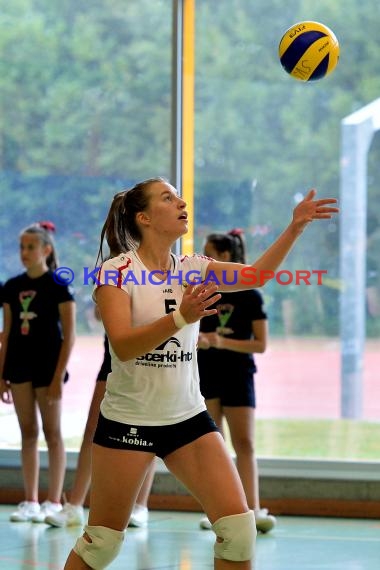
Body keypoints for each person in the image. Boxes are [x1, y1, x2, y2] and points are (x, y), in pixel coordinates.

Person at [63, 177, 338, 570]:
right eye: (168, 197)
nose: (181, 202)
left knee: (239, 532)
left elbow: (256, 276)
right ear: (144, 217)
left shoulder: (194, 267)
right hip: (129, 421)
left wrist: (294, 226)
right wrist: (180, 317)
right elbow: (123, 346)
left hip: (187, 419)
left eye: (179, 195)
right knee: (101, 543)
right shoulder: (117, 272)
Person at [197, 229, 275, 533]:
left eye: (209, 252)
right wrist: (201, 341)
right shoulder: (202, 292)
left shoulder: (250, 295)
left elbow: (260, 344)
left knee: (245, 442)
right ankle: (219, 511)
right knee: (214, 445)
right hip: (208, 373)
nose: (204, 258)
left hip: (239, 374)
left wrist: (220, 341)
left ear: (225, 257)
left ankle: (253, 508)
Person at [0, 221, 76, 523]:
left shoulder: (57, 284)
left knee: (52, 433)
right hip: (19, 364)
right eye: (21, 247)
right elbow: (6, 333)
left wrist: (58, 377)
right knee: (28, 432)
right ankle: (30, 499)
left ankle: (53, 500)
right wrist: (1, 373)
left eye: (31, 247)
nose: (25, 252)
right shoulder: (12, 287)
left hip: (48, 366)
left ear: (46, 249)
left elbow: (69, 335)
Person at [45, 330, 156, 528]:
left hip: (151, 357)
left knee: (150, 427)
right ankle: (75, 505)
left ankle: (140, 505)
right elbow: (99, 312)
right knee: (93, 428)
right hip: (115, 354)